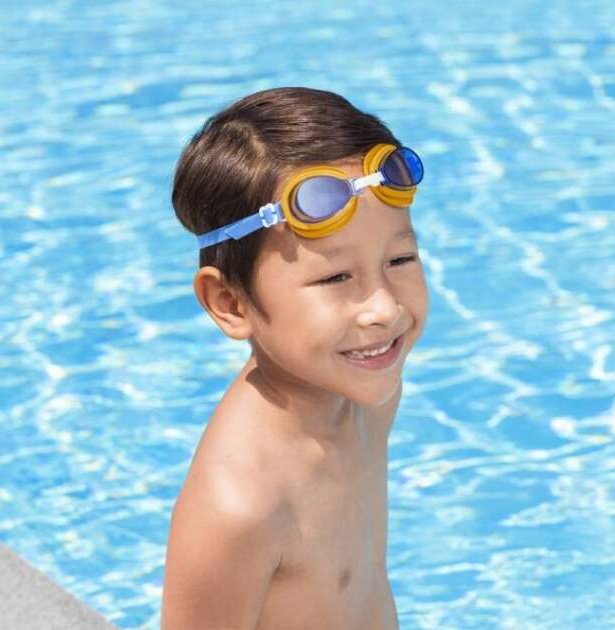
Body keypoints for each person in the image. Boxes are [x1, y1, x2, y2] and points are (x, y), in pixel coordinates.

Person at [161, 86, 428, 629]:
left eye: (400, 259)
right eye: (336, 277)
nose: (383, 309)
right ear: (230, 303)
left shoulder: (367, 396)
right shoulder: (240, 506)